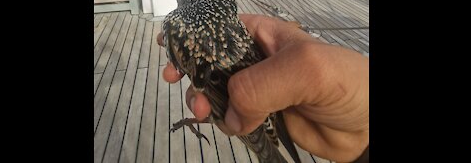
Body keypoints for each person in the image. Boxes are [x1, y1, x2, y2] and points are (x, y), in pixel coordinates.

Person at [157, 14, 369, 163]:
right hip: (269, 108)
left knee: (206, 103)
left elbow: (221, 92)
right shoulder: (235, 28)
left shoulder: (180, 30)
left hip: (239, 107)